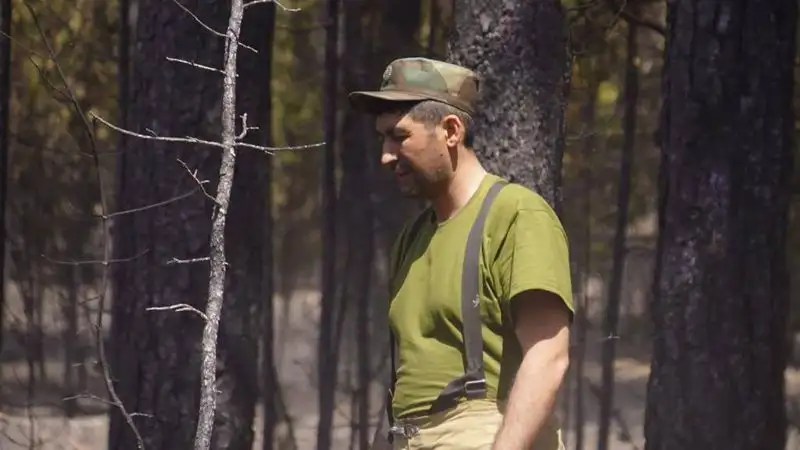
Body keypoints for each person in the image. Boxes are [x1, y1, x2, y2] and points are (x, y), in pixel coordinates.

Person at [349, 57, 574, 450]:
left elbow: (548, 356)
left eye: (398, 137)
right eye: (382, 139)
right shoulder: (412, 237)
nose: (385, 156)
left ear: (451, 131)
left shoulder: (516, 216)